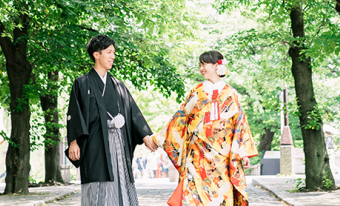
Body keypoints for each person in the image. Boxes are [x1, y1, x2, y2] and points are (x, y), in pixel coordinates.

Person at [66, 34, 158, 206]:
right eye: (109, 52)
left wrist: (146, 135)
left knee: (120, 182)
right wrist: (73, 141)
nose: (113, 56)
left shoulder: (118, 85)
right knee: (96, 182)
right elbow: (74, 113)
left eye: (113, 52)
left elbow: (133, 112)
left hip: (117, 144)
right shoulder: (82, 83)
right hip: (94, 143)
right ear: (96, 54)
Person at [160, 51, 258, 206]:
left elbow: (240, 123)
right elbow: (180, 118)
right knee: (194, 196)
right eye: (200, 64)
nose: (201, 68)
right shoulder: (196, 91)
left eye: (204, 64)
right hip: (197, 155)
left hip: (223, 157)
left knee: (222, 195)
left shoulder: (231, 93)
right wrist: (157, 138)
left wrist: (243, 153)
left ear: (217, 65)